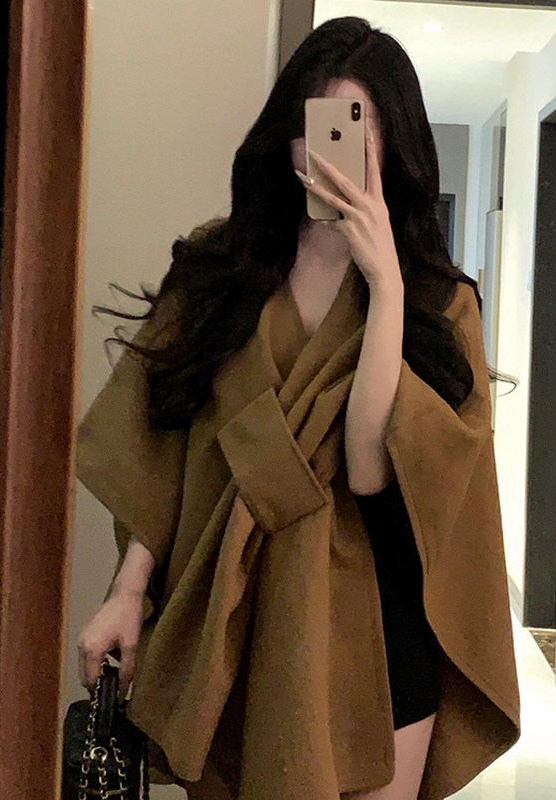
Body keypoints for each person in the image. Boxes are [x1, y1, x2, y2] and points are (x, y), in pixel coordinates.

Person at [75, 16, 521, 800]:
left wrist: (386, 287)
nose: (330, 153)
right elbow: (167, 447)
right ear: (288, 135)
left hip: (376, 642)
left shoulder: (436, 301)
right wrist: (127, 591)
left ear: (395, 144)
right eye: (318, 125)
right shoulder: (220, 268)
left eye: (357, 129)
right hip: (237, 626)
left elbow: (368, 467)